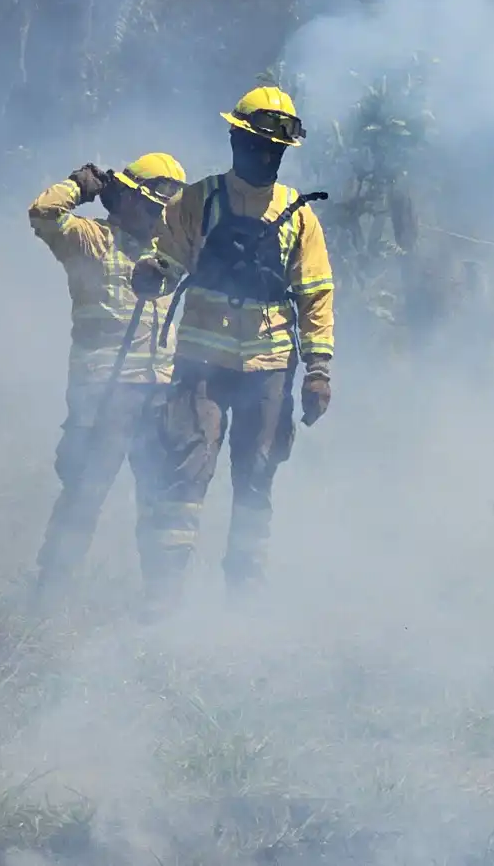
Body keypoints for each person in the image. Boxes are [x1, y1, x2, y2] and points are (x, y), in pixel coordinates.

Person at [131, 87, 334, 612]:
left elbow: (315, 295)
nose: (263, 157)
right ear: (234, 140)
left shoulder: (300, 215)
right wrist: (153, 272)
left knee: (256, 477)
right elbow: (169, 254)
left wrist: (318, 371)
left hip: (268, 368)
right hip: (200, 363)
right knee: (184, 470)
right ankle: (164, 600)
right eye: (254, 145)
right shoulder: (198, 200)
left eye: (274, 150)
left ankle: (243, 606)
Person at [26, 154, 188, 606]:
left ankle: (160, 601)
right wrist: (81, 186)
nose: (159, 218)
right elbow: (43, 213)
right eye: (153, 207)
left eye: (166, 211)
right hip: (103, 391)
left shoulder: (166, 256)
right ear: (128, 200)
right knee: (86, 490)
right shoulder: (92, 240)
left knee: (159, 499)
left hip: (159, 391)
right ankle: (51, 595)